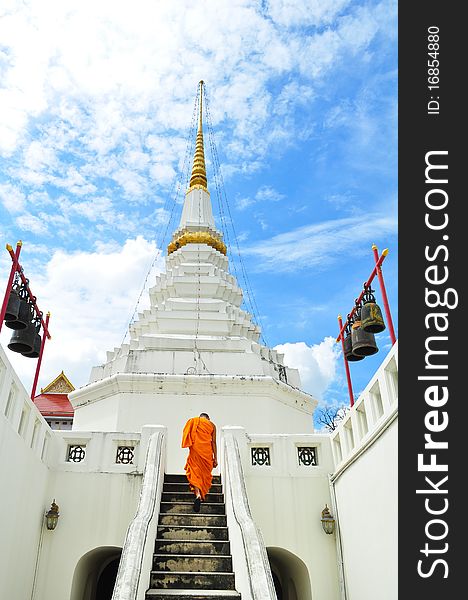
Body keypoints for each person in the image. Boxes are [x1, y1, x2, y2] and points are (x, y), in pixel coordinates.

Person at [181, 412, 218, 512]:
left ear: (200, 417)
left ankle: (197, 495)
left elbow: (187, 435)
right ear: (208, 418)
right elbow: (213, 442)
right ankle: (201, 495)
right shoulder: (212, 425)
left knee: (195, 473)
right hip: (207, 453)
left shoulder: (193, 421)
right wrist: (216, 458)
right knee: (203, 475)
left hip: (196, 451)